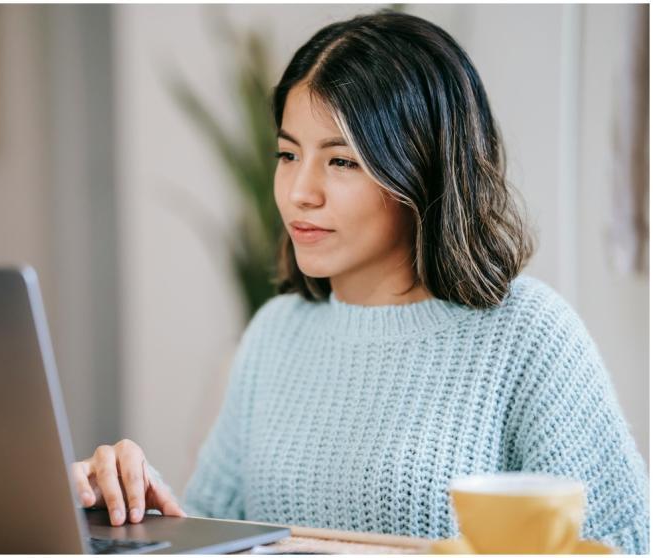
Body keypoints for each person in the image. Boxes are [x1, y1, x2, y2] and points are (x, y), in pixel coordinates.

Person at [73, 10, 649, 554]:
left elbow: (627, 543)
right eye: (287, 154)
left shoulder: (527, 335)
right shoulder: (275, 334)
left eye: (341, 161)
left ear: (421, 167)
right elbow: (211, 530)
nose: (300, 191)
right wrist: (125, 507)